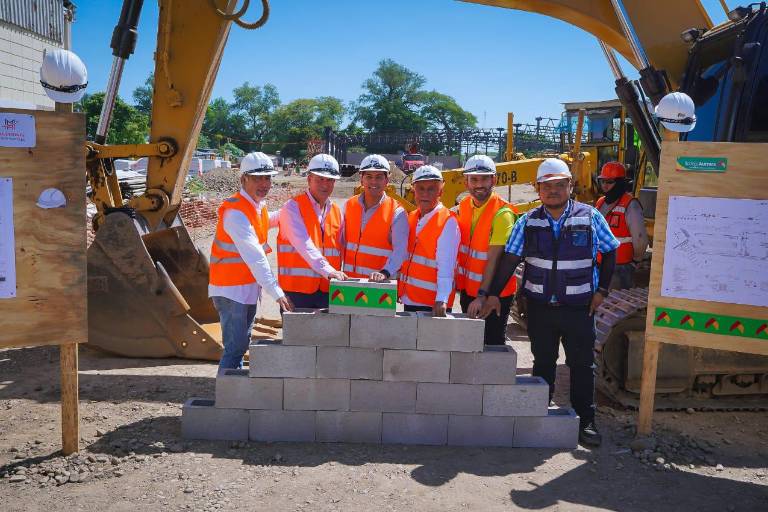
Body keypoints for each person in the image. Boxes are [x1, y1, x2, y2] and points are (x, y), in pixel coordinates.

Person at [480, 158, 619, 446]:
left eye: (559, 185)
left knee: (582, 365)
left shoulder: (590, 217)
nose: (553, 191)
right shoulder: (528, 221)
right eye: (547, 186)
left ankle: (586, 422)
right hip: (540, 308)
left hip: (580, 308)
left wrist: (602, 291)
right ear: (538, 189)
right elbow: (509, 260)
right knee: (543, 363)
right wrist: (493, 293)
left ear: (570, 185)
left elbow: (611, 252)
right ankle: (539, 417)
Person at [209, 152, 294, 371]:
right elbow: (255, 257)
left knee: (239, 346)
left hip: (244, 289)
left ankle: (232, 393)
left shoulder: (257, 207)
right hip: (231, 292)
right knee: (234, 348)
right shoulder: (235, 213)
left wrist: (295, 209)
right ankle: (227, 398)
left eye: (267, 178)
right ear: (243, 179)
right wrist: (276, 292)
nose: (264, 183)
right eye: (258, 178)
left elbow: (269, 220)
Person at [455, 155, 519, 344]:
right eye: (474, 179)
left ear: (494, 180)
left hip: (493, 295)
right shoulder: (464, 206)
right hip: (469, 292)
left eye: (484, 179)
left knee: (491, 347)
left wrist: (484, 296)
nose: (479, 184)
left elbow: (494, 259)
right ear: (466, 182)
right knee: (472, 344)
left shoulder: (502, 213)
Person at [277, 153, 347, 309]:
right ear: (309, 179)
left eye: (329, 180)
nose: (325, 184)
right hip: (297, 292)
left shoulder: (336, 211)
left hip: (327, 290)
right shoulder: (292, 208)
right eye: (319, 179)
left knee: (328, 334)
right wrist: (329, 271)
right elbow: (304, 244)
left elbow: (342, 246)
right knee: (298, 334)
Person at [398, 165, 459, 317]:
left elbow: (447, 264)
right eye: (421, 188)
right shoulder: (412, 217)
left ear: (441, 192)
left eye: (431, 189)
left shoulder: (447, 221)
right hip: (411, 298)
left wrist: (442, 298)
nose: (425, 194)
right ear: (414, 191)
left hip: (433, 304)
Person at [342, 154, 408, 282]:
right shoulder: (349, 205)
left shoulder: (397, 212)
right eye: (369, 177)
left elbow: (401, 251)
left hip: (379, 286)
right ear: (361, 179)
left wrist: (385, 272)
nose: (373, 182)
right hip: (349, 283)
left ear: (387, 180)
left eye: (379, 177)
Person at [595, 161, 648, 289]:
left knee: (616, 305)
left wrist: (635, 261)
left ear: (620, 183)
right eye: (603, 181)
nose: (605, 186)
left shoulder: (631, 204)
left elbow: (641, 240)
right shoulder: (600, 202)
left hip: (620, 267)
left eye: (609, 182)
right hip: (599, 263)